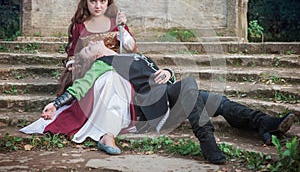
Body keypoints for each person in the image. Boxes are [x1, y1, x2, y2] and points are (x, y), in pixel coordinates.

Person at [42, 41, 296, 164]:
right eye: (86, 48)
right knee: (190, 86)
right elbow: (81, 86)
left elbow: (157, 73)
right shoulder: (101, 64)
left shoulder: (131, 55)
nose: (90, 44)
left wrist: (167, 72)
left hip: (166, 96)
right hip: (151, 109)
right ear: (93, 56)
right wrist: (58, 102)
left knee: (216, 101)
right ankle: (207, 140)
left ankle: (265, 124)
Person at [20, 0, 140, 155]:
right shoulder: (80, 25)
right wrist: (72, 65)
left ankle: (107, 133)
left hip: (118, 72)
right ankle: (106, 134)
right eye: (93, 1)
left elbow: (132, 49)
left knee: (111, 78)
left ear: (109, 1)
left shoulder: (117, 22)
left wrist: (122, 29)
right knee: (103, 80)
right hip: (90, 74)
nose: (98, 6)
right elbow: (73, 54)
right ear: (86, 1)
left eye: (102, 1)